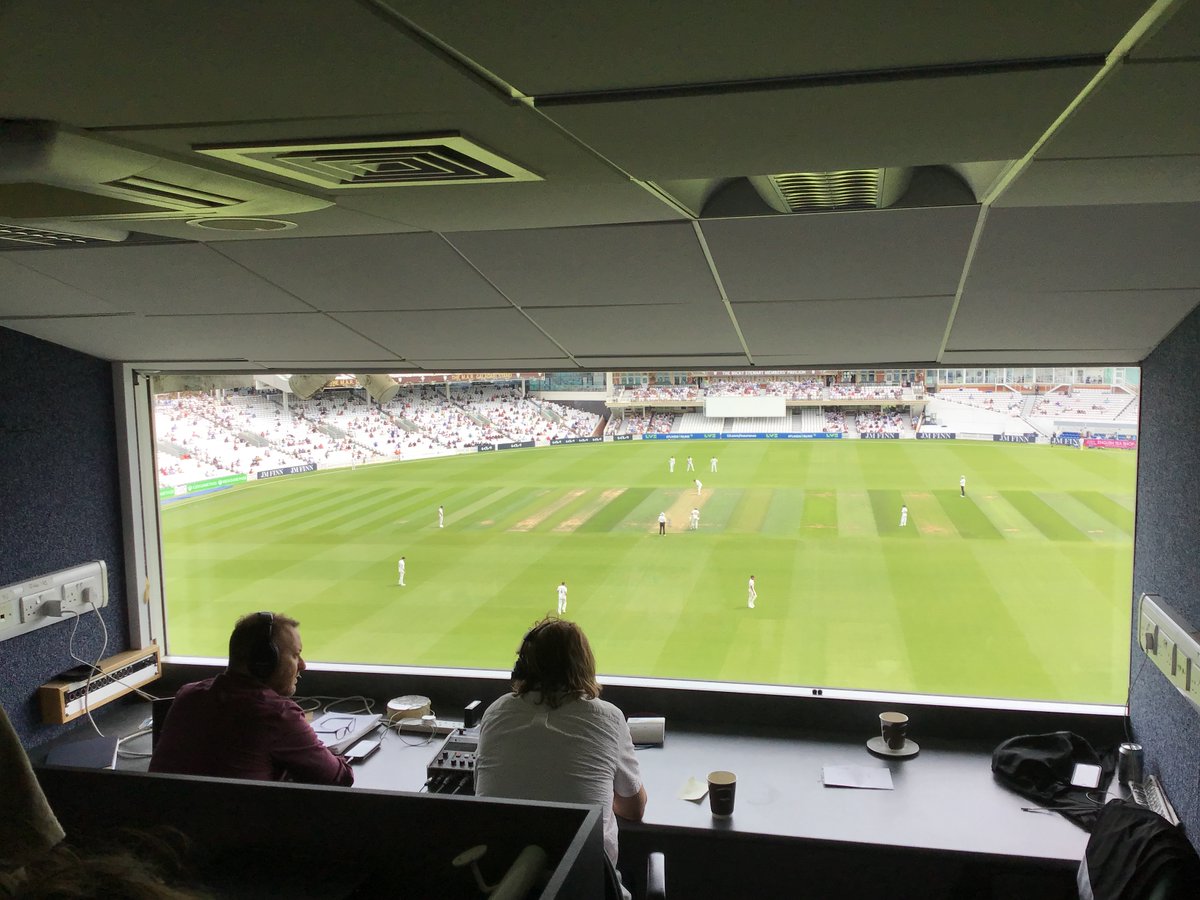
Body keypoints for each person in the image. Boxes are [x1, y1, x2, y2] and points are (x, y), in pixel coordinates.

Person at [475, 619, 646, 879]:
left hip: (503, 888)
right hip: (589, 890)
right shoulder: (608, 718)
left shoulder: (495, 713)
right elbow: (634, 809)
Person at [149, 612, 353, 786]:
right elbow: (339, 777)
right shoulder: (276, 715)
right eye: (295, 655)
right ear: (266, 661)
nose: (302, 665)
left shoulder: (187, 695)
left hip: (164, 830)